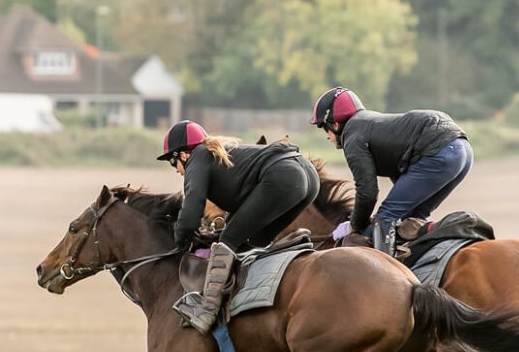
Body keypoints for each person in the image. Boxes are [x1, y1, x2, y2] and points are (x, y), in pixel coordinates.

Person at [160, 120, 320, 334]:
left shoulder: (198, 156)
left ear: (183, 155)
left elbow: (191, 211)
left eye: (173, 162)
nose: (176, 170)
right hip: (309, 177)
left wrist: (179, 240)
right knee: (257, 241)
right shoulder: (220, 156)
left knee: (228, 240)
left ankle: (207, 310)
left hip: (285, 176)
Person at [312, 87, 473, 256]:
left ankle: (387, 274)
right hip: (463, 151)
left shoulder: (352, 137)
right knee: (413, 217)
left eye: (325, 128)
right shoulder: (370, 126)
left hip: (440, 151)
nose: (327, 136)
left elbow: (367, 192)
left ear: (335, 124)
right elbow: (401, 184)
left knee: (386, 217)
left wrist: (354, 225)